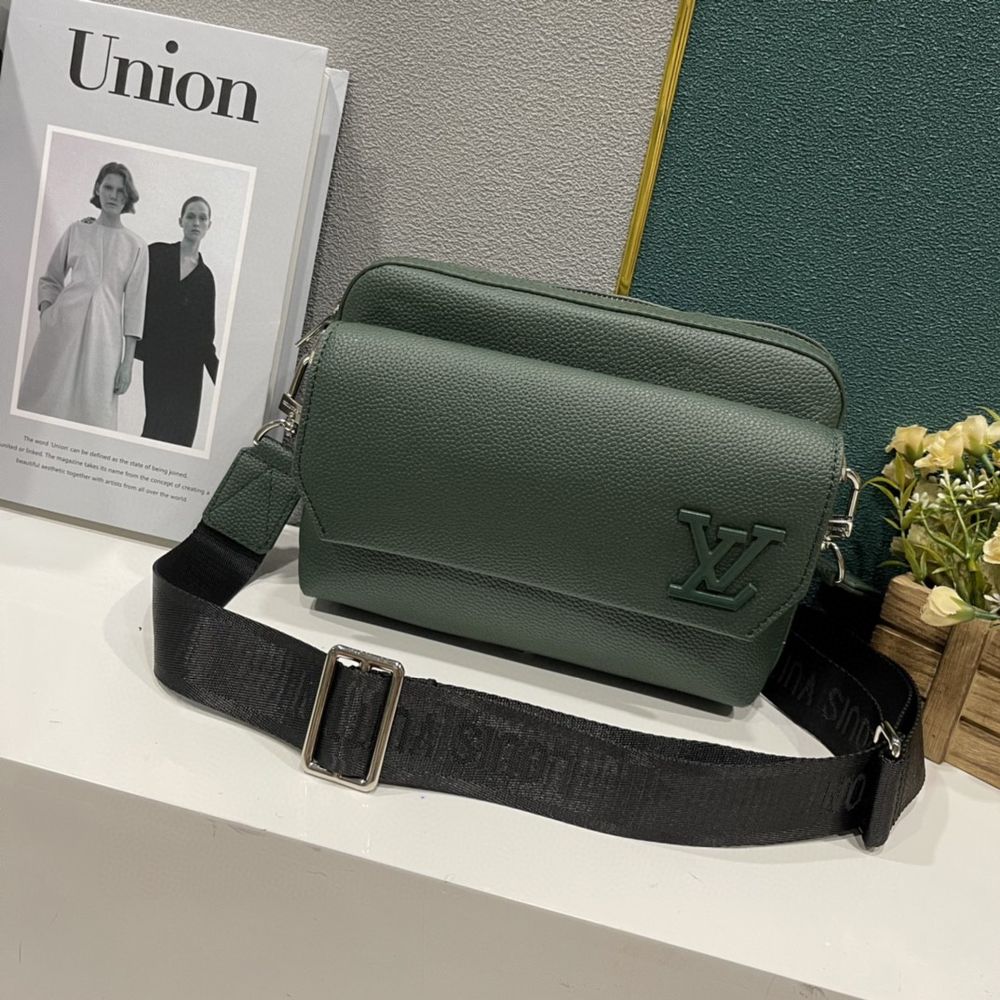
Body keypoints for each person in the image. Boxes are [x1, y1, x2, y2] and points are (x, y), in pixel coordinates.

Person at [18, 162, 148, 430]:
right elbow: (51, 278)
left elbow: (135, 308)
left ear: (128, 197)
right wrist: (47, 314)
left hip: (105, 339)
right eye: (108, 187)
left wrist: (127, 364)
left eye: (121, 191)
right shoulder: (77, 230)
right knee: (44, 408)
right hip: (62, 331)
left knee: (94, 417)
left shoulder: (136, 245)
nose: (113, 195)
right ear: (98, 189)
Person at [137, 195, 219, 447]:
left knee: (181, 437)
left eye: (202, 218)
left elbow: (206, 337)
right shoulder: (157, 254)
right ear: (180, 221)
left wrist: (220, 379)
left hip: (190, 370)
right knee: (155, 428)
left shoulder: (206, 278)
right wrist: (95, 227)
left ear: (209, 225)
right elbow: (125, 263)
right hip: (158, 361)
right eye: (191, 216)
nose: (196, 222)